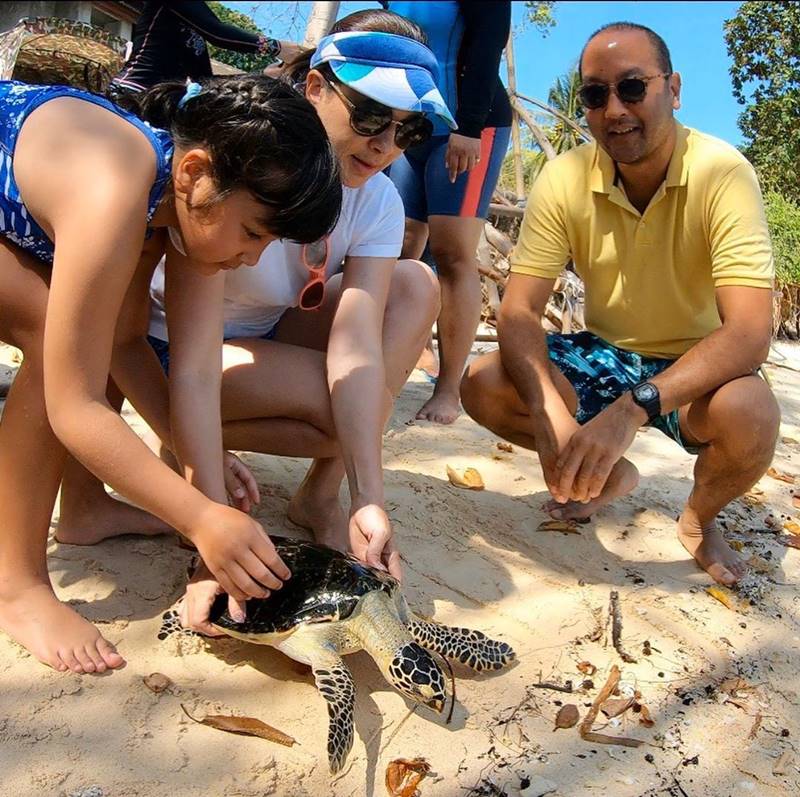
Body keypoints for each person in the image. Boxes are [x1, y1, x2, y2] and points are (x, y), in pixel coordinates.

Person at [0, 74, 342, 674]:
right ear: (194, 172)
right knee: (51, 328)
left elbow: (181, 369)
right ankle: (16, 586)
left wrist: (196, 471)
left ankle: (85, 511)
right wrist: (200, 516)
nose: (253, 257)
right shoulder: (113, 188)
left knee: (97, 324)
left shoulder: (185, 210)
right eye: (253, 232)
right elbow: (74, 405)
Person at [137, 12, 448, 633]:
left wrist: (369, 496)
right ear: (315, 87)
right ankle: (191, 452)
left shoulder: (379, 199)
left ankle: (324, 494)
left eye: (408, 129)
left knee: (414, 288)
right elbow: (194, 359)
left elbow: (359, 343)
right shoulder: (253, 161)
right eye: (370, 116)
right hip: (177, 350)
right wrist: (210, 526)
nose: (385, 144)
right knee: (351, 409)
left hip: (264, 336)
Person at [461, 22, 780, 587]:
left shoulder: (722, 172)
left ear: (673, 90)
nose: (614, 110)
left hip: (693, 366)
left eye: (632, 88)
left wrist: (632, 411)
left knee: (752, 415)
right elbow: (519, 312)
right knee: (484, 382)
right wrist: (550, 415)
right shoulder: (565, 177)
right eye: (594, 94)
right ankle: (607, 475)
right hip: (604, 352)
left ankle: (699, 518)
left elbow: (750, 333)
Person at [383, 0, 512, 424]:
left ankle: (448, 388)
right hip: (411, 123)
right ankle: (406, 355)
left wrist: (469, 127)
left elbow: (488, 45)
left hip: (467, 126)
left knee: (452, 253)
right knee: (399, 244)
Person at [109, 0, 302, 98]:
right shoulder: (199, 19)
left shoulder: (197, 27)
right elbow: (217, 33)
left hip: (158, 105)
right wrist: (276, 47)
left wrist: (263, 75)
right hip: (130, 93)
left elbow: (205, 81)